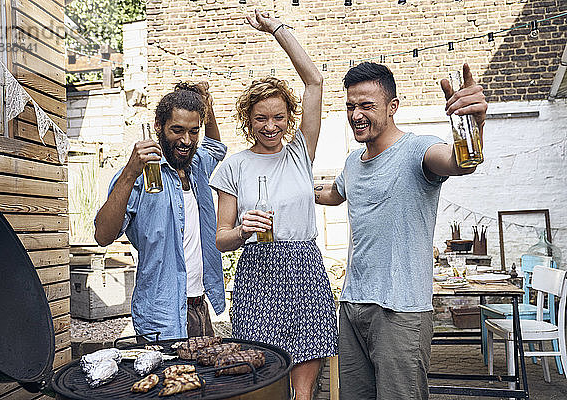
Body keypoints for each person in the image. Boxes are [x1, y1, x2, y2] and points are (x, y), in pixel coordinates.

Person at [315, 62, 487, 400]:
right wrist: (286, 185)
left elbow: (460, 162)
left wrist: (472, 125)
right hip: (352, 306)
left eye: (366, 105)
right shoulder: (352, 161)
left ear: (393, 106)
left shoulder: (417, 149)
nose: (356, 114)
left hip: (401, 310)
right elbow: (332, 194)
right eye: (350, 106)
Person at [209, 10, 337, 400]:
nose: (270, 126)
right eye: (261, 118)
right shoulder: (233, 165)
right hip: (257, 273)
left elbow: (314, 81)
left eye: (279, 117)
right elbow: (221, 239)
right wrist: (243, 229)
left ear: (289, 118)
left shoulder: (300, 151)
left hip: (304, 268)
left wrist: (277, 30)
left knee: (304, 389)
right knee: (261, 380)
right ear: (248, 120)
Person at [94, 82, 226, 340]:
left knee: (205, 380)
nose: (186, 140)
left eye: (193, 131)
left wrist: (206, 104)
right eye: (177, 130)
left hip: (199, 308)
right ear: (158, 126)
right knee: (167, 381)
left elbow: (216, 147)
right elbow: (102, 235)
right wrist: (131, 172)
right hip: (160, 316)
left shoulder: (197, 165)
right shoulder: (138, 174)